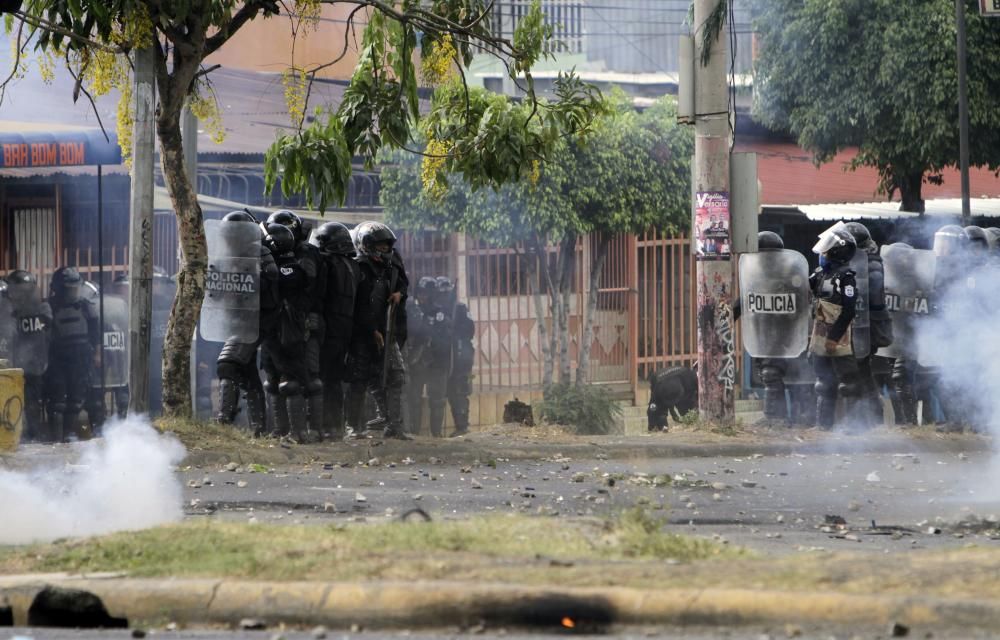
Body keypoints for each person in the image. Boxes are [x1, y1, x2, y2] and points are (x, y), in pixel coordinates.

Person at [344, 221, 411, 440]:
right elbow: (358, 303)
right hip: (362, 333)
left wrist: (400, 293)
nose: (384, 250)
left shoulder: (392, 265)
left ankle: (394, 426)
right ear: (367, 245)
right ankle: (353, 426)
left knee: (396, 376)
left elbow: (403, 283)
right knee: (360, 378)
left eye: (386, 246)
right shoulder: (358, 267)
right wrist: (371, 329)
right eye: (380, 246)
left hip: (388, 330)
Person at [214, 211, 276, 436]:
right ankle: (259, 430)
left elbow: (272, 286)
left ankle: (224, 423)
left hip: (255, 321)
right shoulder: (225, 257)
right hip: (235, 321)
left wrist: (251, 277)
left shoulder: (260, 254)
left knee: (227, 364)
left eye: (233, 234)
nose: (229, 238)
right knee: (248, 374)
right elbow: (215, 293)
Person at [809, 223, 862, 430]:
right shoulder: (820, 274)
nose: (823, 253)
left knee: (848, 383)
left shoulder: (846, 279)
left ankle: (852, 426)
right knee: (823, 382)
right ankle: (823, 425)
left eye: (827, 249)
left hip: (839, 338)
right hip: (820, 333)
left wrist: (834, 337)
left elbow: (848, 310)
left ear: (837, 251)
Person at [311, 221, 358, 440]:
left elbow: (319, 297)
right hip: (346, 330)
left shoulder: (326, 264)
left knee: (320, 378)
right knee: (335, 380)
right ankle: (336, 426)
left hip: (328, 330)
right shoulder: (354, 266)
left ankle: (320, 426)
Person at [845, 222, 892, 429]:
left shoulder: (871, 265)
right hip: (864, 325)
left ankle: (870, 420)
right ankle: (868, 421)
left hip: (868, 326)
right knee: (861, 372)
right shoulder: (863, 261)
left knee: (860, 372)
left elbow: (870, 293)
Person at [45, 267, 100, 442]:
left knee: (76, 401)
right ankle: (56, 440)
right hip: (57, 359)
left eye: (74, 288)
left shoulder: (85, 306)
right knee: (57, 403)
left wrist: (97, 353)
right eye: (69, 288)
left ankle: (68, 437)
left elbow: (95, 333)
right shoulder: (48, 307)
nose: (72, 292)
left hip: (80, 359)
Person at [425, 276, 475, 438]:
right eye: (441, 293)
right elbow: (426, 333)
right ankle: (436, 434)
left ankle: (462, 428)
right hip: (438, 361)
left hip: (459, 361)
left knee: (459, 394)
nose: (444, 297)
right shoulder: (431, 311)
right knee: (437, 398)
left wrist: (454, 328)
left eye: (447, 293)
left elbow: (469, 331)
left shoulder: (460, 309)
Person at [6, 270, 50, 441]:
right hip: (18, 365)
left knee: (32, 403)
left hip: (34, 365)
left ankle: (32, 435)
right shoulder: (9, 310)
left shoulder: (42, 309)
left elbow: (49, 335)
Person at [404, 276, 437, 435]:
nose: (423, 296)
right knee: (413, 397)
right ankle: (413, 430)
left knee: (430, 398)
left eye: (426, 293)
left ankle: (426, 432)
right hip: (414, 358)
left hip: (428, 360)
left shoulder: (436, 311)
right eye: (421, 293)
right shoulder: (412, 308)